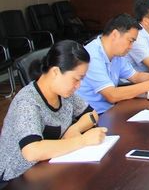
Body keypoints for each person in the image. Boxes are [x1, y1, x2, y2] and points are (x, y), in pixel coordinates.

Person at [0, 41, 107, 183]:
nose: (78, 85)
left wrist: (75, 128)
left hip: (51, 165)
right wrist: (82, 140)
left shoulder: (64, 93)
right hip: (18, 177)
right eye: (76, 79)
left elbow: (92, 115)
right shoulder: (27, 102)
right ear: (56, 71)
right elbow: (32, 151)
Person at [77, 14, 149, 113]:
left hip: (111, 110)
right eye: (130, 41)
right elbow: (112, 95)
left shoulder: (117, 54)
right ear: (115, 34)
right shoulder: (92, 55)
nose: (131, 47)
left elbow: (135, 76)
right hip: (94, 117)